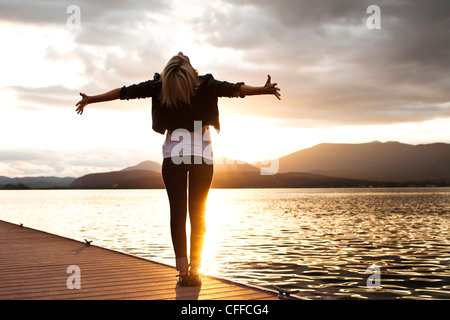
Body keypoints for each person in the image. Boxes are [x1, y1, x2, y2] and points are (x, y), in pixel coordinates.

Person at [75, 52, 281, 286]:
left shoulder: (160, 86)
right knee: (198, 214)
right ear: (187, 67)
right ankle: (195, 270)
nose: (184, 53)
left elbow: (124, 93)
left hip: (173, 157)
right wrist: (262, 90)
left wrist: (91, 99)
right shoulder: (204, 84)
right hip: (201, 157)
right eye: (183, 56)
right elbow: (235, 89)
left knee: (178, 214)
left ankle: (183, 273)